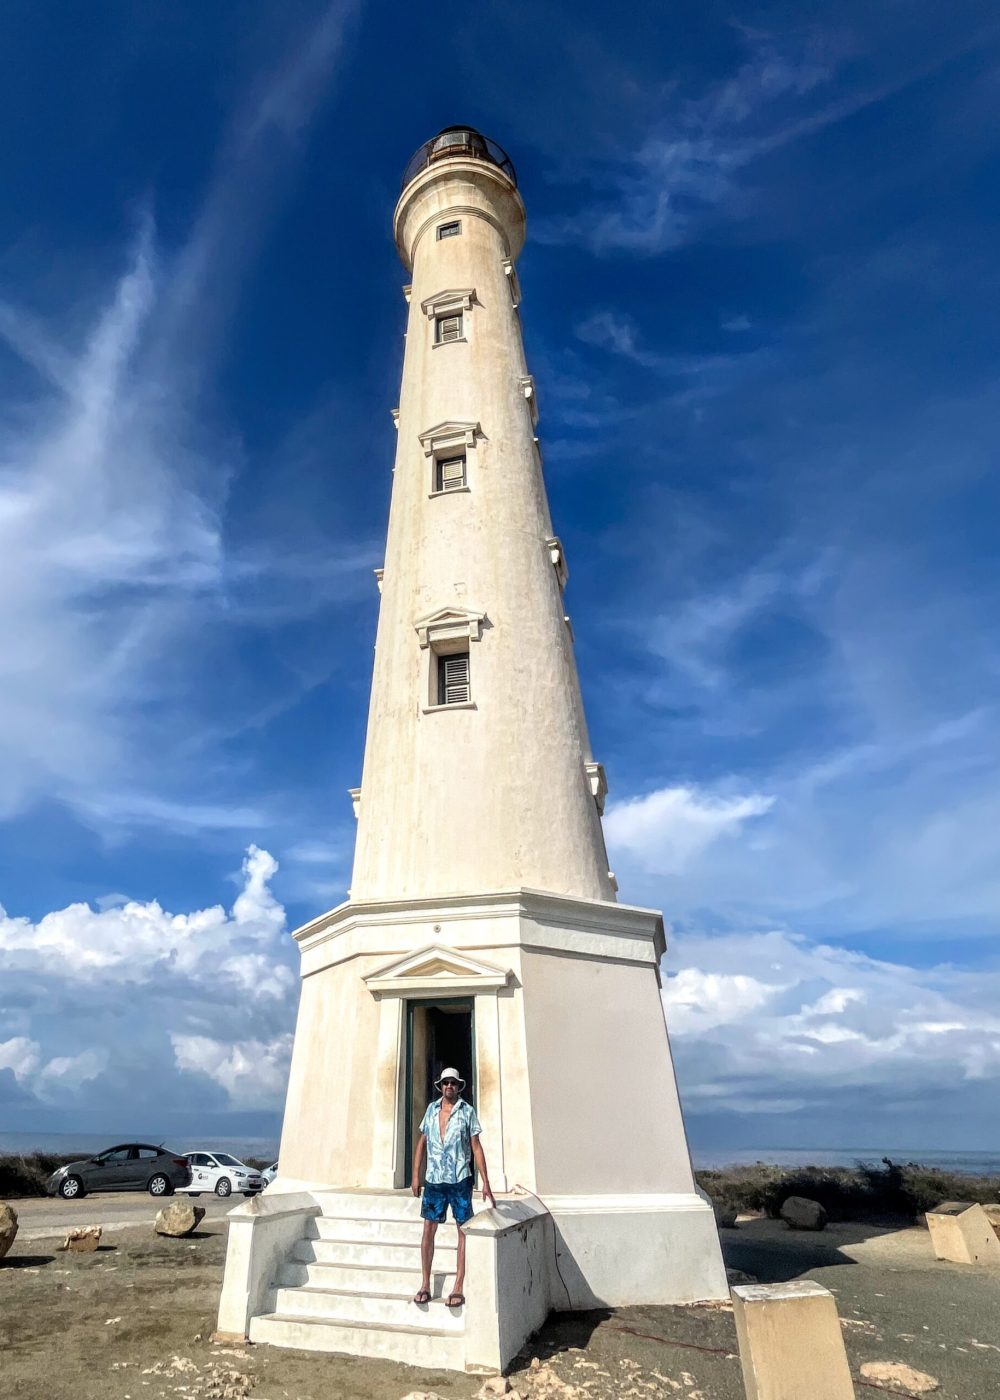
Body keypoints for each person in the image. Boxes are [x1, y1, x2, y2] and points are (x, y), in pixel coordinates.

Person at [411, 1066, 496, 1308]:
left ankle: (458, 1284)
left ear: (459, 1086)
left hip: (460, 1179)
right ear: (441, 1086)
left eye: (454, 1083)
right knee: (429, 1228)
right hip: (434, 1179)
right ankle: (425, 1283)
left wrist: (486, 1182)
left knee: (462, 1229)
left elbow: (476, 1146)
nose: (450, 1086)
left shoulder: (467, 1111)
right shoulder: (432, 1109)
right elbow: (422, 1142)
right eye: (446, 1082)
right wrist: (415, 1176)